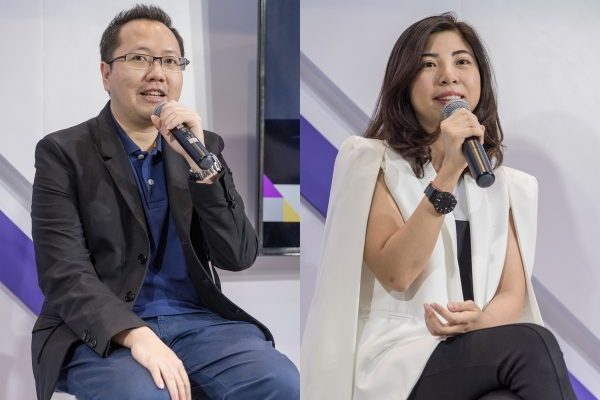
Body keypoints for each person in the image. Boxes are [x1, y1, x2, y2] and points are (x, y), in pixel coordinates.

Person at [301, 13, 576, 400]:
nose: (448, 76)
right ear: (404, 82)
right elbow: (398, 273)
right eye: (429, 64)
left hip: (472, 353)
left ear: (480, 79)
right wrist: (447, 173)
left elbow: (511, 293)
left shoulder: (504, 185)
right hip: (397, 360)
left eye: (462, 61)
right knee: (534, 342)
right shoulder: (373, 162)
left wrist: (481, 322)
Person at [30, 5, 299, 400]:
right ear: (106, 73)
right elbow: (64, 272)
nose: (157, 73)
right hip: (100, 329)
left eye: (170, 61)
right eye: (139, 58)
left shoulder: (202, 148)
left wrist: (204, 168)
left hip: (197, 323)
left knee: (279, 381)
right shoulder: (64, 152)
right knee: (145, 394)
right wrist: (134, 333)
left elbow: (238, 255)